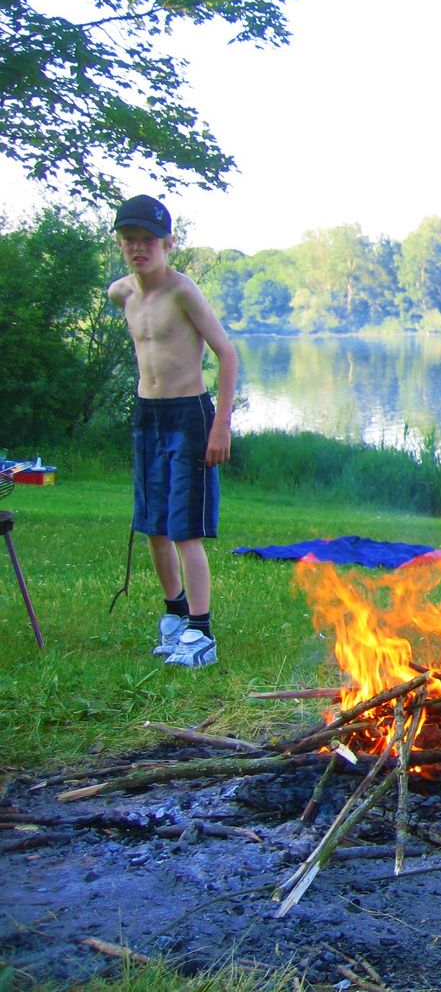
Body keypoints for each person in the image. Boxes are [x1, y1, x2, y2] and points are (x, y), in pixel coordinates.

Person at [108, 195, 238, 668]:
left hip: (189, 416)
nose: (138, 248)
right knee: (153, 526)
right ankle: (175, 615)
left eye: (147, 240)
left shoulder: (183, 291)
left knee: (185, 529)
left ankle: (202, 633)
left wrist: (220, 424)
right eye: (129, 239)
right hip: (148, 414)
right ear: (121, 243)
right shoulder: (121, 293)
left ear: (168, 243)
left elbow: (227, 354)